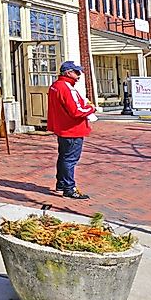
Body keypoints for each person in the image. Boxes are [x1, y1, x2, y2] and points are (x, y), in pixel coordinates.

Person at [48, 60, 97, 199]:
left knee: (63, 157)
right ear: (68, 73)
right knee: (70, 159)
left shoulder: (55, 86)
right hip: (72, 129)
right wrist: (91, 108)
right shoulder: (66, 87)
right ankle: (69, 188)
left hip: (62, 128)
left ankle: (61, 184)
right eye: (76, 72)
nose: (79, 74)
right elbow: (76, 111)